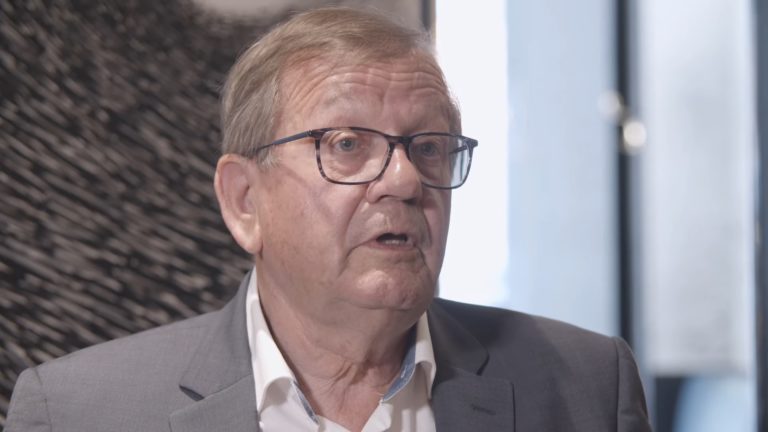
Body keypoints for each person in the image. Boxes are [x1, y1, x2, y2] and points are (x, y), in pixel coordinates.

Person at [5, 7, 651, 432]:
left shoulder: (586, 386)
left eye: (429, 148)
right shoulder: (78, 413)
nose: (405, 180)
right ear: (244, 201)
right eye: (346, 145)